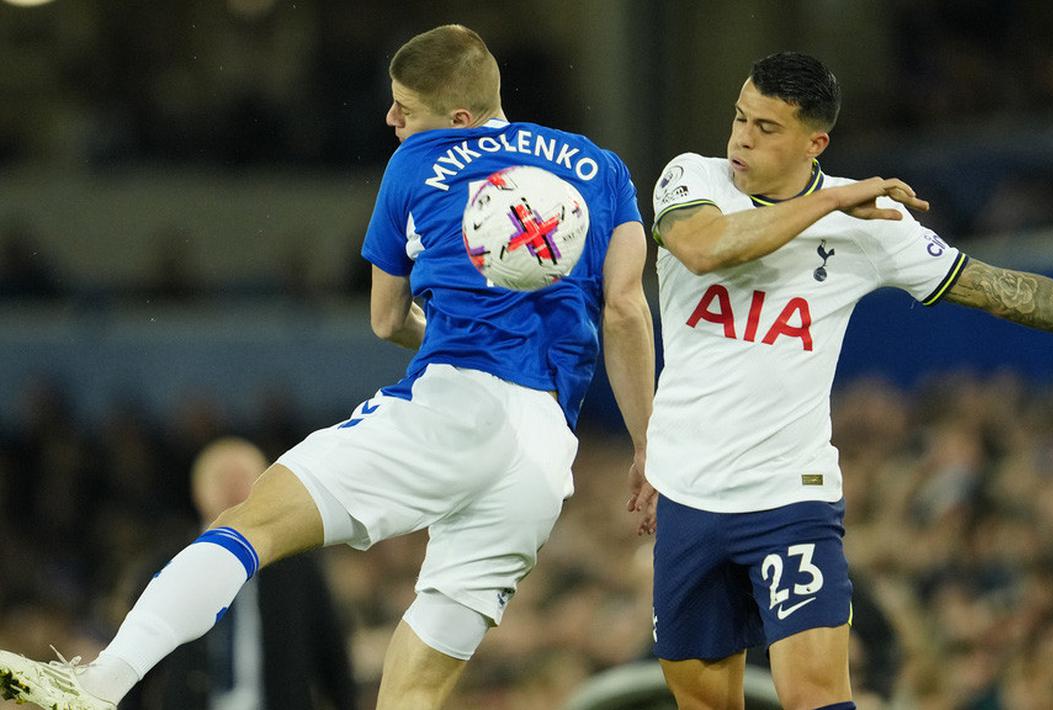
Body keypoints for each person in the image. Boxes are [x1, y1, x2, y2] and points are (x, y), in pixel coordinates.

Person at [0, 24, 655, 710]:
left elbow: (384, 319)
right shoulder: (602, 167)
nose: (391, 119)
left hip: (456, 404)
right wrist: (644, 444)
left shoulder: (418, 161)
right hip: (545, 453)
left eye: (405, 107)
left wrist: (458, 329)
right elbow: (624, 312)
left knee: (250, 523)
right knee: (423, 677)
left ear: (458, 120)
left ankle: (96, 684)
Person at [642, 51, 1053, 710]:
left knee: (815, 697)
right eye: (740, 117)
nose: (741, 137)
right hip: (687, 493)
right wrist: (832, 199)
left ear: (815, 142)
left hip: (788, 496)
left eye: (766, 128)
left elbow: (1001, 290)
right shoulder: (692, 178)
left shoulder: (870, 224)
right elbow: (706, 247)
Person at [124, 437, 357, 710]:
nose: (233, 489)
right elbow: (133, 662)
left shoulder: (298, 567)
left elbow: (332, 656)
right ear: (199, 490)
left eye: (245, 477)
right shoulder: (169, 564)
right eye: (222, 478)